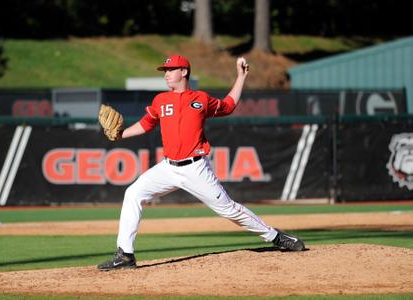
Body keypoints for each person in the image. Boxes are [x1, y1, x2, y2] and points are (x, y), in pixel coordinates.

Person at [97, 55, 305, 271]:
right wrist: (121, 135)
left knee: (228, 210)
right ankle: (125, 255)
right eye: (165, 71)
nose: (166, 74)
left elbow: (229, 106)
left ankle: (276, 237)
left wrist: (241, 76)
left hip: (196, 168)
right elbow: (146, 124)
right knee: (133, 193)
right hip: (168, 167)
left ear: (184, 72)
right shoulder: (160, 100)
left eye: (171, 69)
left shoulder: (201, 99)